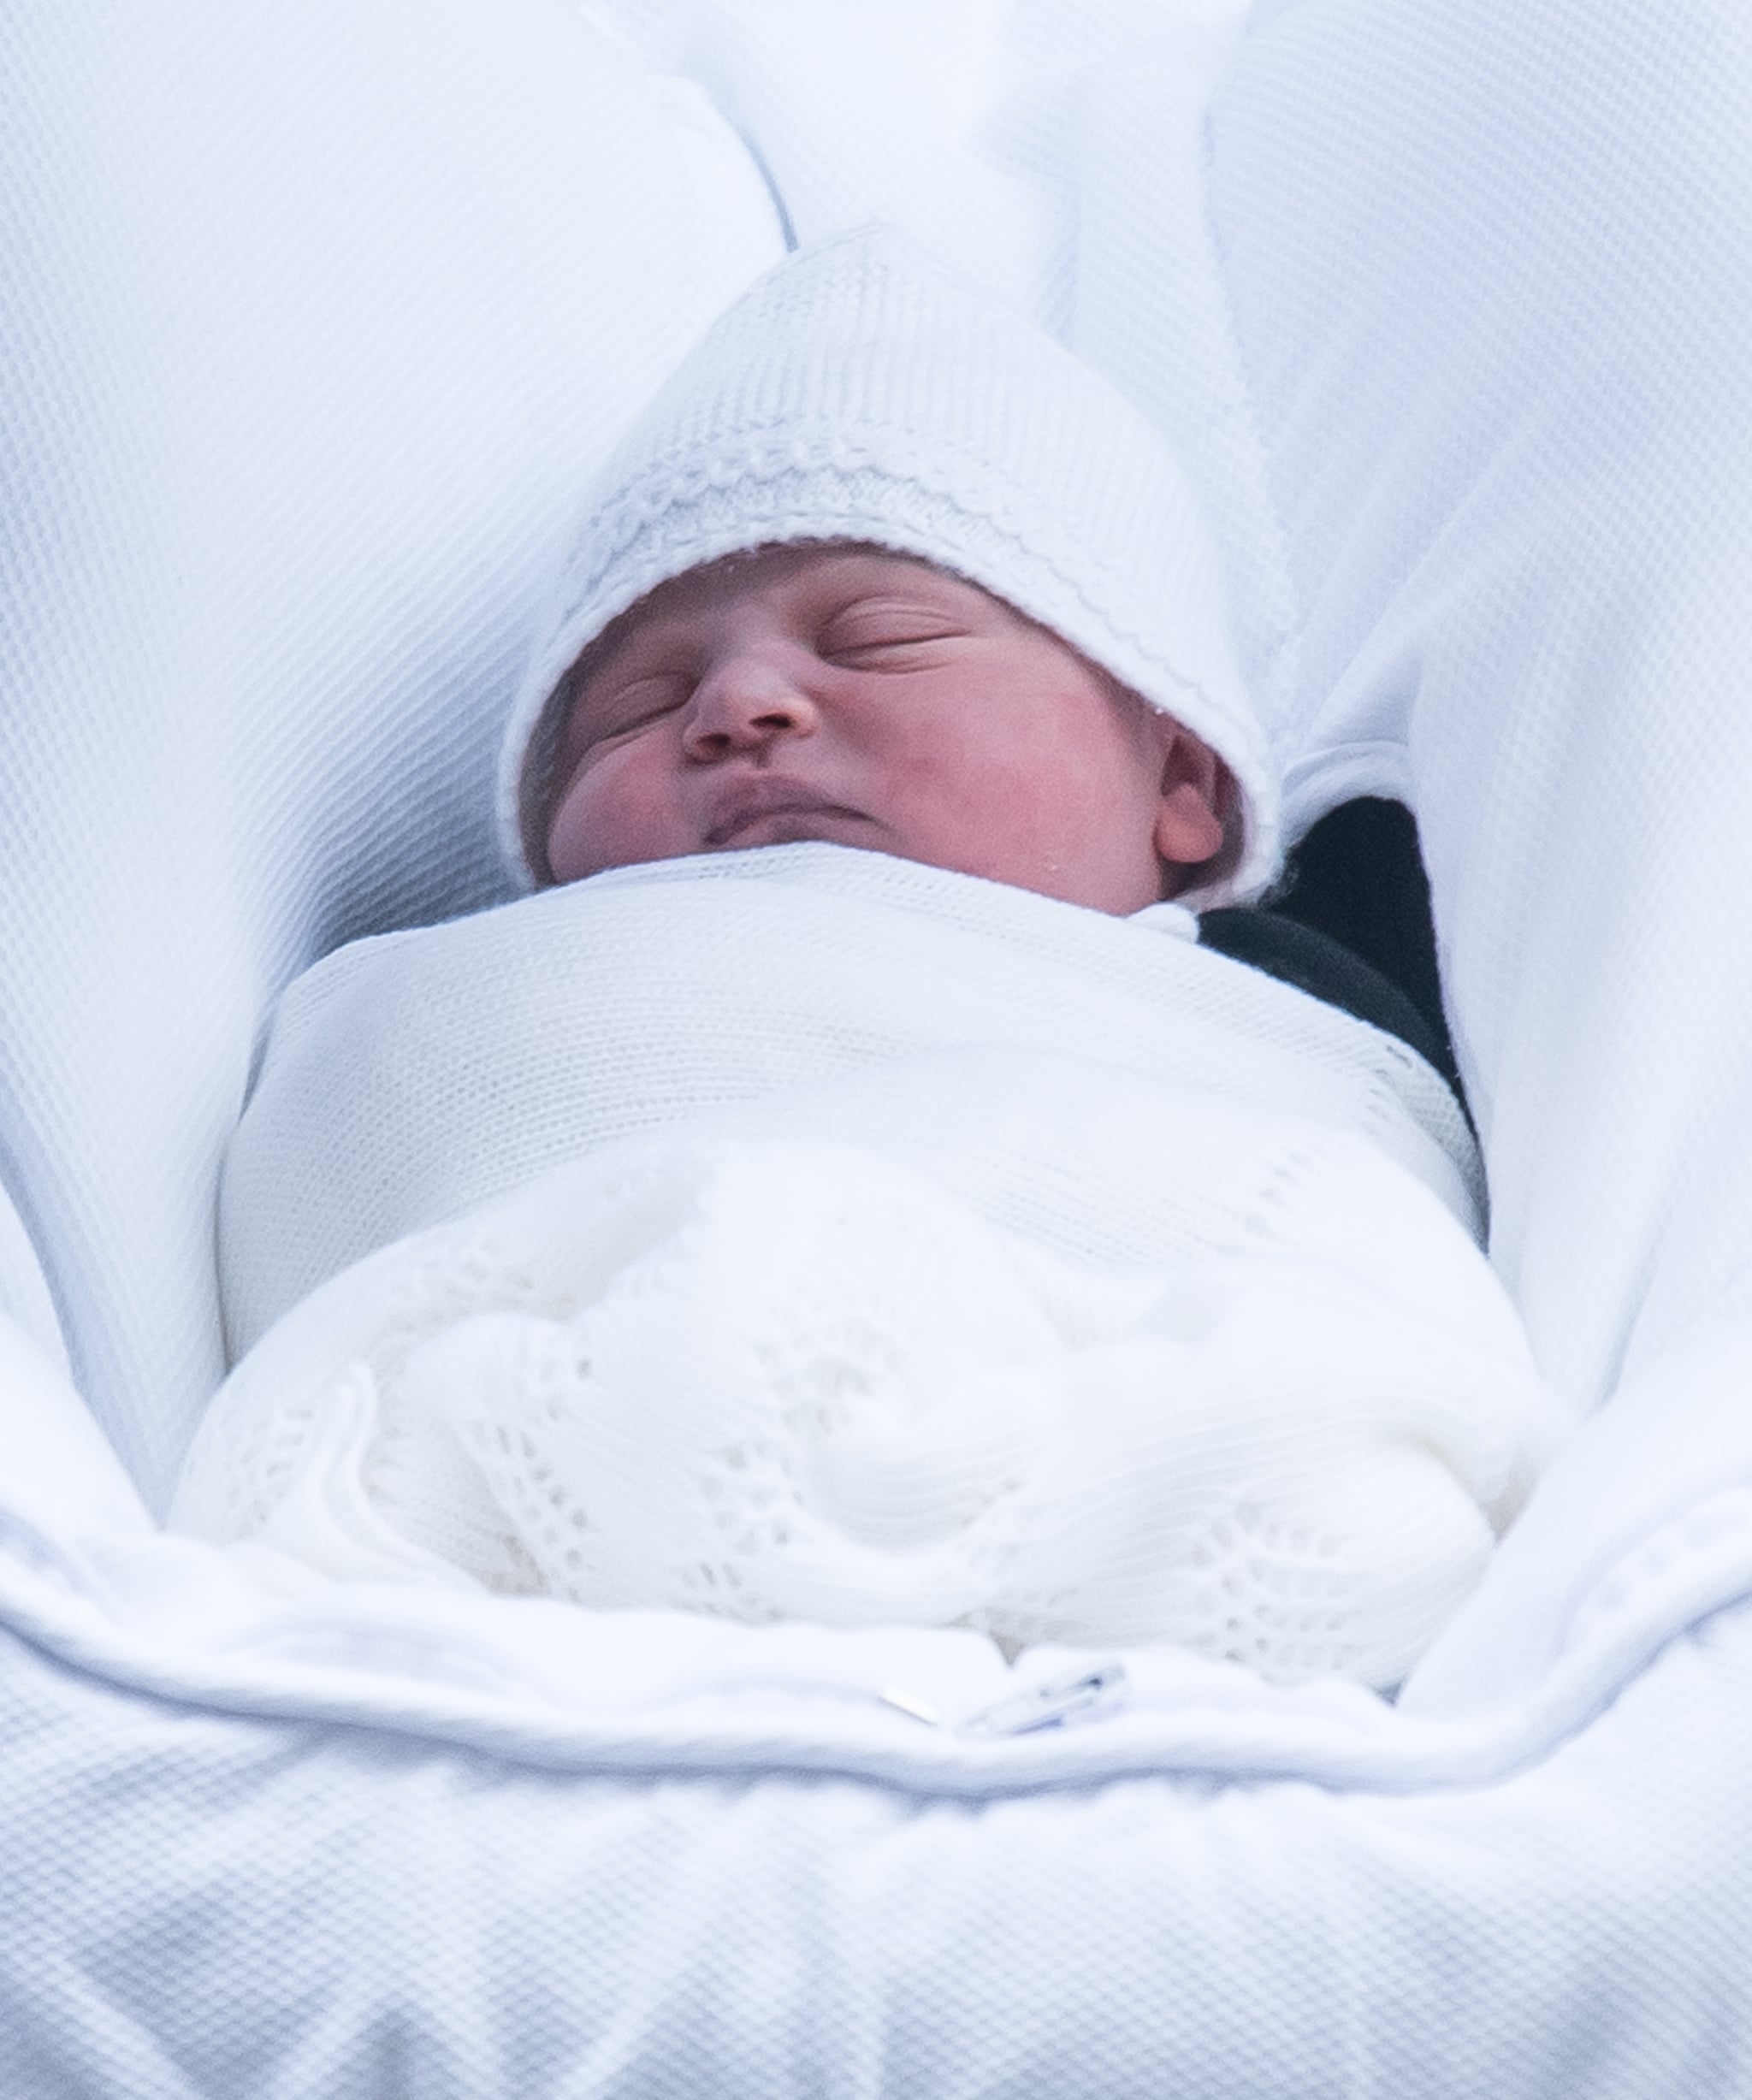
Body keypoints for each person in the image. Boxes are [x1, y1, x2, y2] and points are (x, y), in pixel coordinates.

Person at [169, 228, 1561, 1689]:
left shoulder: (1267, 1042)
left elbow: (1369, 1325)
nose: (741, 705)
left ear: (1185, 786)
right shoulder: (457, 1006)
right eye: (635, 708)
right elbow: (357, 1211)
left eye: (881, 638)